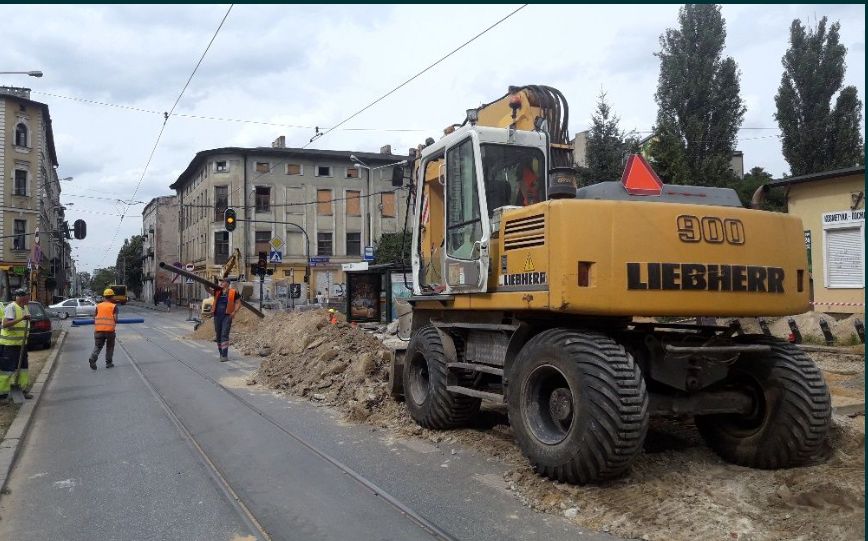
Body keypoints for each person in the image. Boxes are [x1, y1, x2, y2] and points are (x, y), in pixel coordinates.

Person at [0, 289, 33, 400]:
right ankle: (2, 393)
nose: (28, 298)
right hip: (10, 345)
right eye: (27, 297)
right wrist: (22, 318)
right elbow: (5, 324)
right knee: (7, 370)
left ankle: (22, 390)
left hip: (22, 344)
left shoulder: (25, 307)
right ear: (20, 297)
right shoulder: (11, 307)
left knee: (23, 368)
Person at [89, 288, 119, 370]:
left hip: (99, 330)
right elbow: (115, 319)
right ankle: (108, 363)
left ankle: (93, 358)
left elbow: (94, 317)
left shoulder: (98, 306)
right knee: (110, 347)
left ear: (104, 297)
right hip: (110, 331)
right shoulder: (114, 306)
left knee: (98, 346)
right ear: (112, 297)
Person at [212, 278, 241, 361]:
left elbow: (238, 303)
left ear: (227, 283)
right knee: (218, 335)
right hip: (217, 316)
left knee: (224, 334)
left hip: (227, 316)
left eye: (223, 282)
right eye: (221, 281)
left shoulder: (233, 292)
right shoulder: (217, 291)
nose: (221, 283)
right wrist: (205, 285)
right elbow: (208, 290)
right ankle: (221, 353)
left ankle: (224, 355)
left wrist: (234, 312)